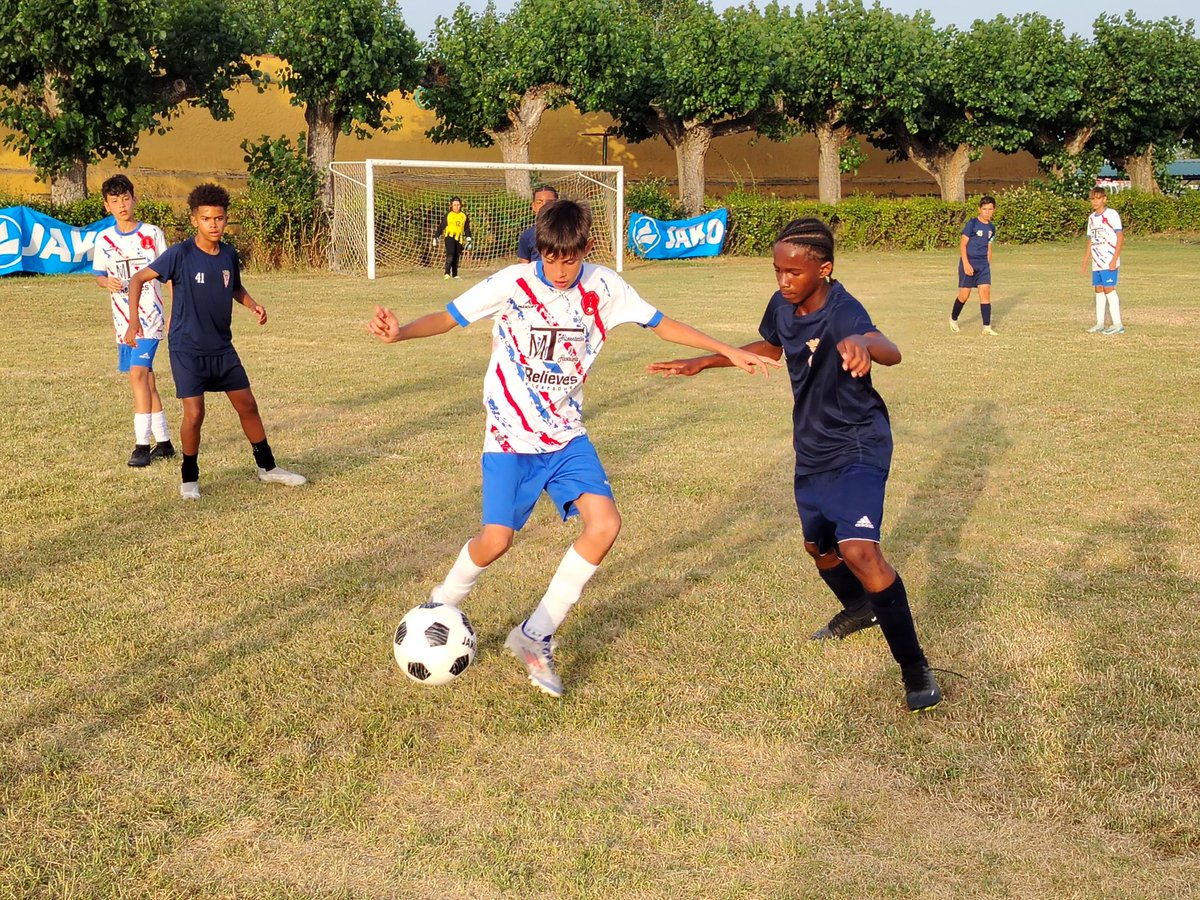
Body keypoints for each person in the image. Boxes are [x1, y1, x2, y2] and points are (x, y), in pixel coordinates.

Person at [368, 199, 780, 697]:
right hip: (509, 439)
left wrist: (728, 351)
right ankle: (442, 600)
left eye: (570, 259)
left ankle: (534, 634)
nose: (560, 270)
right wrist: (401, 332)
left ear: (586, 248)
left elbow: (661, 322)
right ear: (538, 249)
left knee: (605, 524)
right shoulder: (512, 284)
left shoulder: (605, 287)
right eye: (550, 258)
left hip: (566, 435)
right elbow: (450, 317)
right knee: (496, 541)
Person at [646, 217, 942, 713]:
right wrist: (708, 360)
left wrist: (863, 347)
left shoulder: (843, 310)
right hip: (812, 447)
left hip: (859, 444)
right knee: (819, 547)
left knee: (860, 551)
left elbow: (889, 348)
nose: (783, 281)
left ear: (823, 269)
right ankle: (861, 607)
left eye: (794, 273)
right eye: (777, 271)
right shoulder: (783, 306)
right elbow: (772, 345)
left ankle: (915, 669)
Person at [125, 183, 306, 500]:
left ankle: (267, 468)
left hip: (222, 347)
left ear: (225, 219)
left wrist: (252, 304)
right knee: (195, 414)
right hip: (187, 349)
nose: (214, 224)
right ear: (194, 219)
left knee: (248, 405)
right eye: (206, 218)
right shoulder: (180, 254)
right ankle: (189, 479)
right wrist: (134, 319)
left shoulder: (229, 254)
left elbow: (234, 286)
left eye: (219, 218)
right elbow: (138, 278)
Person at [92, 175, 175, 467]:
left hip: (148, 316)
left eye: (125, 198)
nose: (121, 205)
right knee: (146, 378)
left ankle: (142, 445)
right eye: (114, 201)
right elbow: (99, 276)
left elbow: (170, 275)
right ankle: (164, 442)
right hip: (121, 317)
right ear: (107, 206)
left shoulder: (152, 234)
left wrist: (174, 312)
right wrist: (107, 283)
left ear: (134, 199)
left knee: (138, 374)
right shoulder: (103, 239)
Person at [949, 195, 998, 335]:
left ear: (994, 210)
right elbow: (963, 244)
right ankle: (953, 319)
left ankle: (987, 327)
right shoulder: (972, 224)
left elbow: (989, 247)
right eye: (984, 209)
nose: (987, 212)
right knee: (964, 295)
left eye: (990, 209)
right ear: (979, 209)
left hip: (983, 265)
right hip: (969, 262)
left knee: (985, 293)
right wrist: (966, 264)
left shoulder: (992, 228)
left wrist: (987, 265)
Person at [1082, 186, 1125, 334]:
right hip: (1097, 260)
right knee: (1098, 289)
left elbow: (1119, 237)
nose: (1095, 201)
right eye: (1092, 198)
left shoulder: (1112, 214)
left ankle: (1117, 324)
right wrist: (1086, 259)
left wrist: (1114, 259)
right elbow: (1091, 240)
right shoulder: (1091, 218)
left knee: (1109, 288)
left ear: (1104, 199)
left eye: (1098, 198)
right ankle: (1100, 323)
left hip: (1108, 258)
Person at [517, 184, 560, 263]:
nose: (544, 205)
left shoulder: (569, 232)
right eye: (539, 202)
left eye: (550, 202)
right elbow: (524, 266)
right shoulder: (527, 235)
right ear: (533, 206)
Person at [440, 197, 472, 279]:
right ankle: (446, 273)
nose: (456, 207)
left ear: (461, 205)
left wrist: (469, 237)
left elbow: (466, 228)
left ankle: (455, 274)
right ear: (451, 206)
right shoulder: (448, 215)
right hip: (449, 237)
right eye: (454, 205)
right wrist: (436, 236)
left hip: (459, 238)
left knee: (457, 256)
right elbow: (442, 226)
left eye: (458, 205)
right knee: (450, 254)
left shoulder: (463, 216)